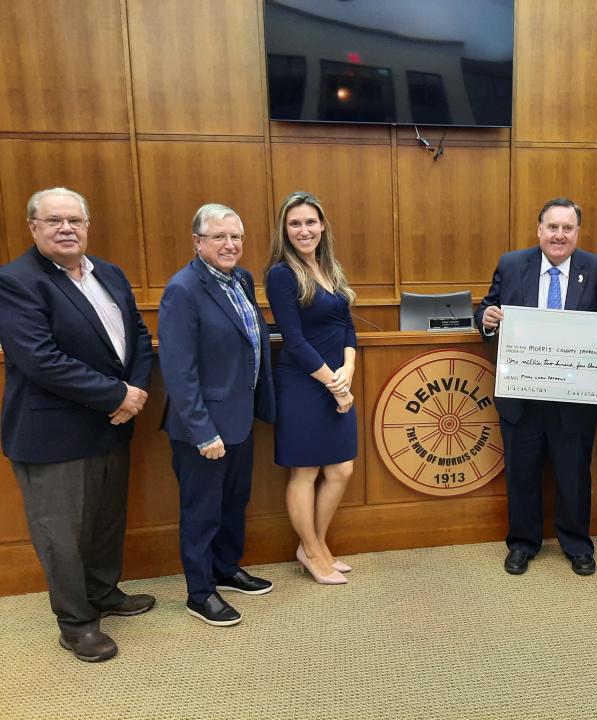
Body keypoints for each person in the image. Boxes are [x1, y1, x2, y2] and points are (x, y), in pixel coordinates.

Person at [0, 187, 154, 662]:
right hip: (52, 433)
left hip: (112, 423)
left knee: (105, 523)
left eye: (75, 220)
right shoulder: (17, 280)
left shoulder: (108, 273)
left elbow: (141, 337)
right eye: (54, 221)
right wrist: (117, 394)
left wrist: (134, 396)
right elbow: (40, 359)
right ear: (34, 227)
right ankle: (76, 623)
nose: (66, 228)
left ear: (87, 225)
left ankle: (103, 593)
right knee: (61, 534)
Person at [476, 198, 597, 576]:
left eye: (567, 228)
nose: (559, 235)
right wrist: (487, 318)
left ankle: (577, 545)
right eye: (552, 227)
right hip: (521, 396)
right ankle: (522, 544)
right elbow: (487, 308)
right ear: (539, 229)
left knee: (573, 474)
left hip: (574, 398)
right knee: (521, 473)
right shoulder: (513, 264)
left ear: (578, 232)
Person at [159, 203, 276, 625]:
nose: (230, 245)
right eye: (219, 237)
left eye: (236, 237)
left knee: (233, 500)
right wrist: (202, 431)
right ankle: (199, 592)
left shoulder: (240, 279)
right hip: (202, 427)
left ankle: (225, 568)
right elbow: (178, 369)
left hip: (238, 417)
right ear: (197, 242)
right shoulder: (183, 289)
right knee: (201, 509)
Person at [265, 191, 357, 585]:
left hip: (338, 380)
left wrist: (349, 368)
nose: (304, 230)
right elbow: (295, 340)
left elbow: (348, 325)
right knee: (305, 471)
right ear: (285, 230)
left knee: (340, 469)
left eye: (310, 222)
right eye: (295, 223)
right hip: (303, 384)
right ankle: (313, 550)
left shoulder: (329, 268)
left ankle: (314, 544)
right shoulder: (281, 274)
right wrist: (334, 384)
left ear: (322, 226)